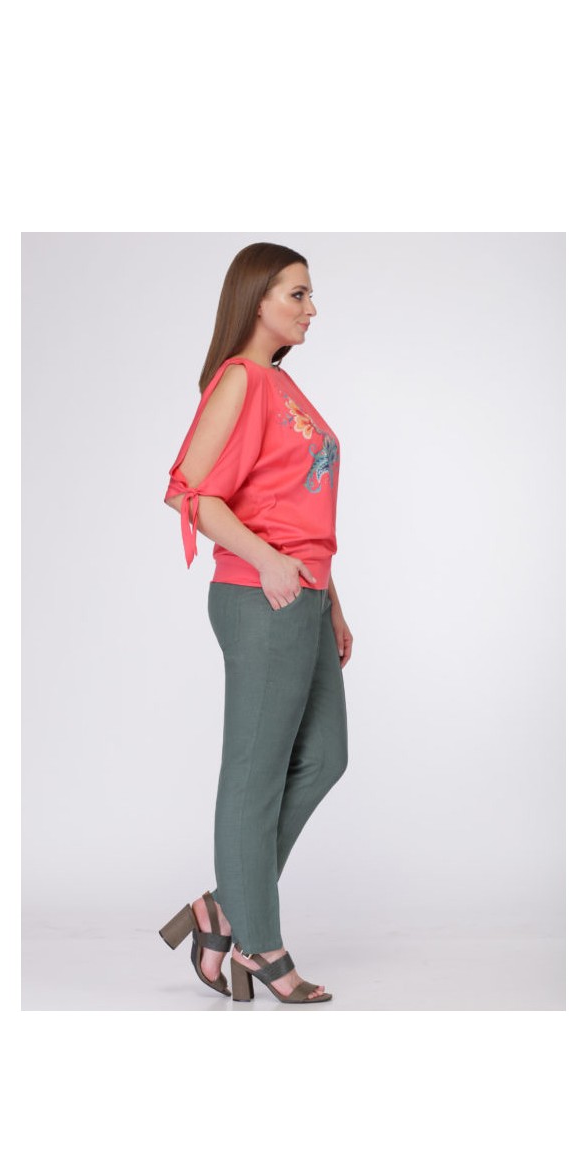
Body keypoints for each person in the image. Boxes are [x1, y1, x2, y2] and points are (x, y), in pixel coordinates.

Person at [158, 242, 353, 1005]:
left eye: (309, 294)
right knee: (255, 773)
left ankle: (222, 906)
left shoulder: (283, 383)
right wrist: (269, 561)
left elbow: (297, 509)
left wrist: (332, 599)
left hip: (305, 596)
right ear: (257, 298)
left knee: (325, 757)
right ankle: (259, 942)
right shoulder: (241, 378)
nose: (312, 309)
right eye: (297, 294)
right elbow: (189, 492)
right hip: (260, 598)